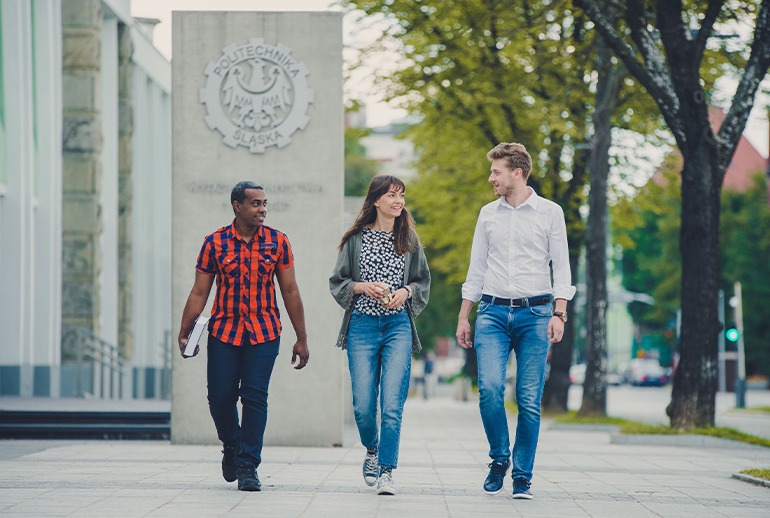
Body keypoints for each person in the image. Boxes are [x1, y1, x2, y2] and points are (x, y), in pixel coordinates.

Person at [455, 142, 575, 500]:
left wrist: (560, 312)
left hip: (536, 314)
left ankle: (522, 476)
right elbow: (476, 269)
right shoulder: (487, 214)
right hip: (491, 312)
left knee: (528, 398)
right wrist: (464, 314)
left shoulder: (550, 212)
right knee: (489, 391)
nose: (491, 177)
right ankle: (499, 458)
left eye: (496, 171)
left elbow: (563, 267)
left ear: (517, 173)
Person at [178, 180, 310, 492]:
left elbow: (290, 290)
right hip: (224, 332)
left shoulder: (278, 242)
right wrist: (185, 332)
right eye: (255, 204)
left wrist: (301, 337)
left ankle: (248, 464)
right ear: (237, 206)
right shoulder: (214, 242)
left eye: (265, 203)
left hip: (264, 333)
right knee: (220, 397)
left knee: (254, 397)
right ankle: (231, 444)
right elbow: (200, 291)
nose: (262, 209)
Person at [329, 175, 430, 496]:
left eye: (401, 195)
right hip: (361, 326)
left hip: (398, 327)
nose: (398, 201)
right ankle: (372, 449)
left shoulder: (410, 239)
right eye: (391, 195)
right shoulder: (355, 239)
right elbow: (338, 282)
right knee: (362, 406)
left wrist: (406, 291)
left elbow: (422, 281)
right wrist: (361, 287)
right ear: (376, 201)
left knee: (391, 405)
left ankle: (387, 470)